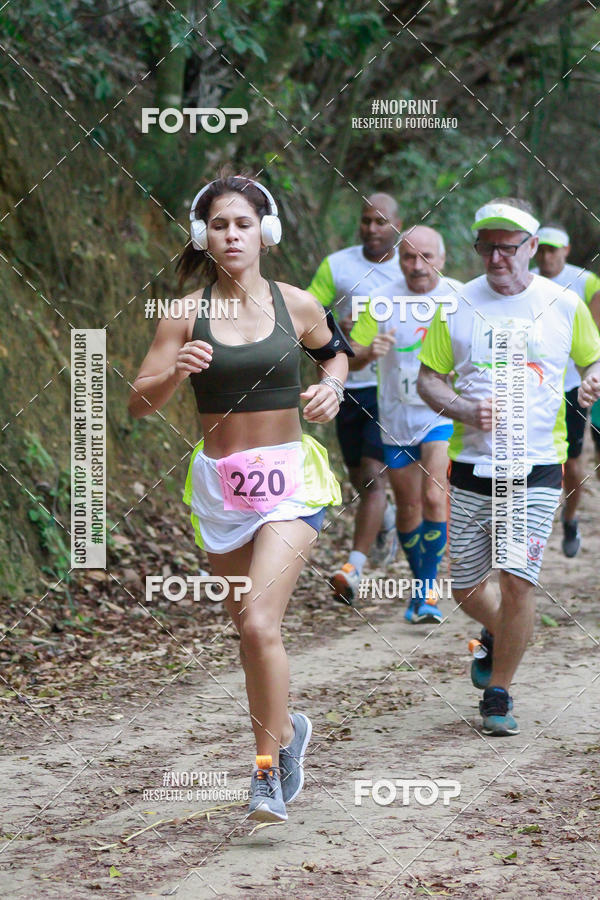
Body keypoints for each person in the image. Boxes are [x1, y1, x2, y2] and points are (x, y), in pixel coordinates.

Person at [128, 174, 352, 822]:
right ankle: (287, 733)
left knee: (260, 622)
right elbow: (137, 405)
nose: (232, 235)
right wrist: (175, 371)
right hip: (223, 492)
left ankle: (264, 774)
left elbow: (336, 354)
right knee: (249, 637)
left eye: (243, 224)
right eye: (220, 225)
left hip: (290, 482)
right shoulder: (183, 315)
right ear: (204, 236)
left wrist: (331, 388)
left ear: (265, 233)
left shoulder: (297, 304)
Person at [417, 198, 600, 736]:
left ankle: (499, 693)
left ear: (531, 249)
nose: (496, 258)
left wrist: (593, 379)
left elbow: (593, 357)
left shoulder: (564, 303)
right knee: (466, 589)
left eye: (507, 247)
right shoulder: (456, 304)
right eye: (486, 246)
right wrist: (465, 408)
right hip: (473, 463)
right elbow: (429, 379)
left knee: (518, 581)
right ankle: (504, 635)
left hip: (538, 465)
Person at [350, 226, 462, 623]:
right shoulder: (380, 301)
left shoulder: (458, 298)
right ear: (398, 260)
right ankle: (420, 589)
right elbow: (352, 358)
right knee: (409, 505)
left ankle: (429, 593)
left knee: (435, 497)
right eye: (409, 258)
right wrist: (367, 352)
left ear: (442, 258)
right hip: (395, 418)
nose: (418, 266)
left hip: (440, 416)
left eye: (426, 257)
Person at [307, 193, 402, 604]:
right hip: (350, 384)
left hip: (394, 389)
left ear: (396, 224)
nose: (372, 228)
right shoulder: (338, 264)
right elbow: (307, 311)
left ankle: (354, 567)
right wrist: (334, 329)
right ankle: (386, 519)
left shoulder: (413, 266)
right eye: (366, 221)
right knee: (359, 477)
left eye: (381, 221)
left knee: (374, 473)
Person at [533, 224, 600, 556]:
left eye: (553, 250)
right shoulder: (523, 279)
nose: (546, 256)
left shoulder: (586, 281)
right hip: (532, 385)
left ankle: (570, 517)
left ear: (566, 250)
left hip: (573, 385)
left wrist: (591, 372)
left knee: (572, 461)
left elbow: (595, 334)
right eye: (541, 249)